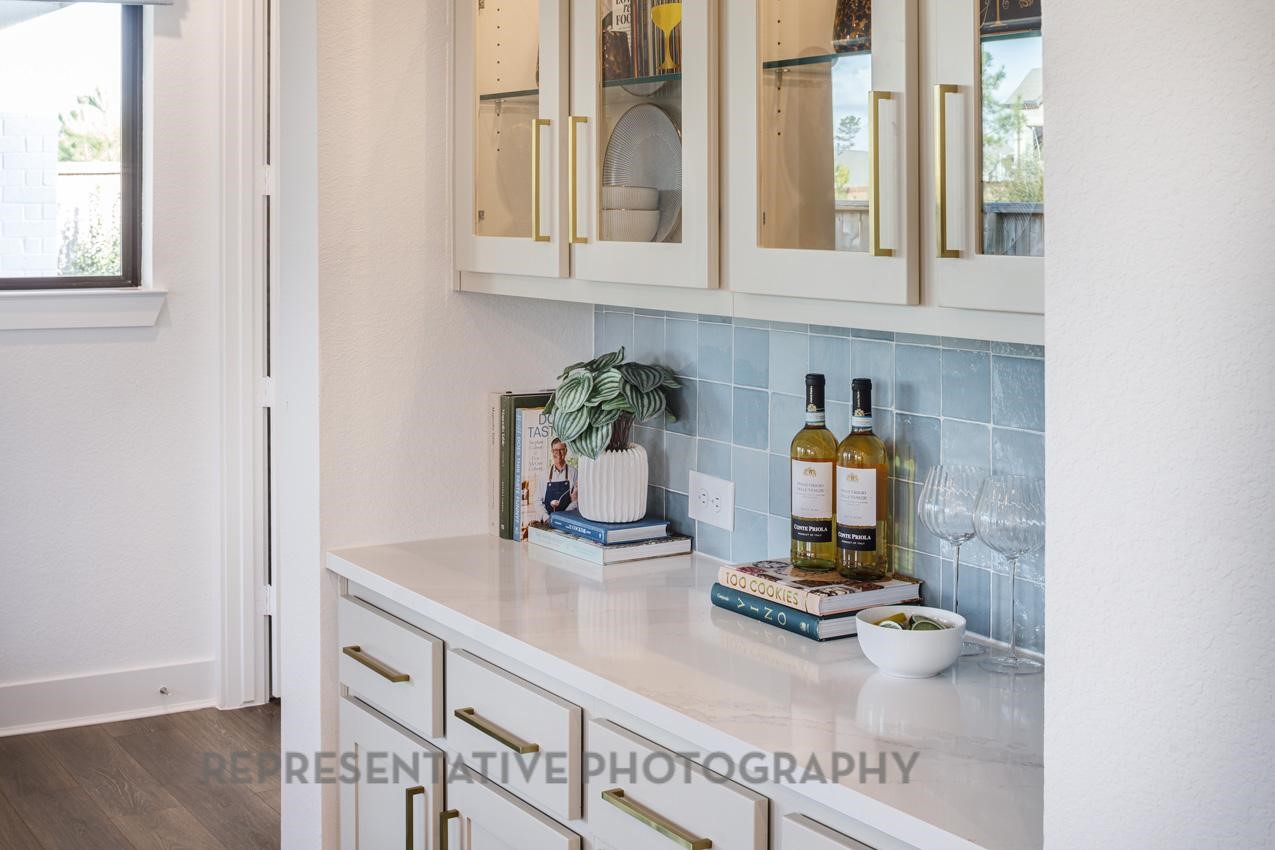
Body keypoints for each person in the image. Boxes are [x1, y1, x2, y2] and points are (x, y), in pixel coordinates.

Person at [542, 438, 578, 514]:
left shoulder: (574, 472)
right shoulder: (544, 474)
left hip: (567, 516)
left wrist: (562, 516)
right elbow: (537, 500)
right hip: (548, 518)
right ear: (552, 451)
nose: (558, 453)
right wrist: (546, 517)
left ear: (566, 451)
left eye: (561, 449)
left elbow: (576, 500)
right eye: (555, 450)